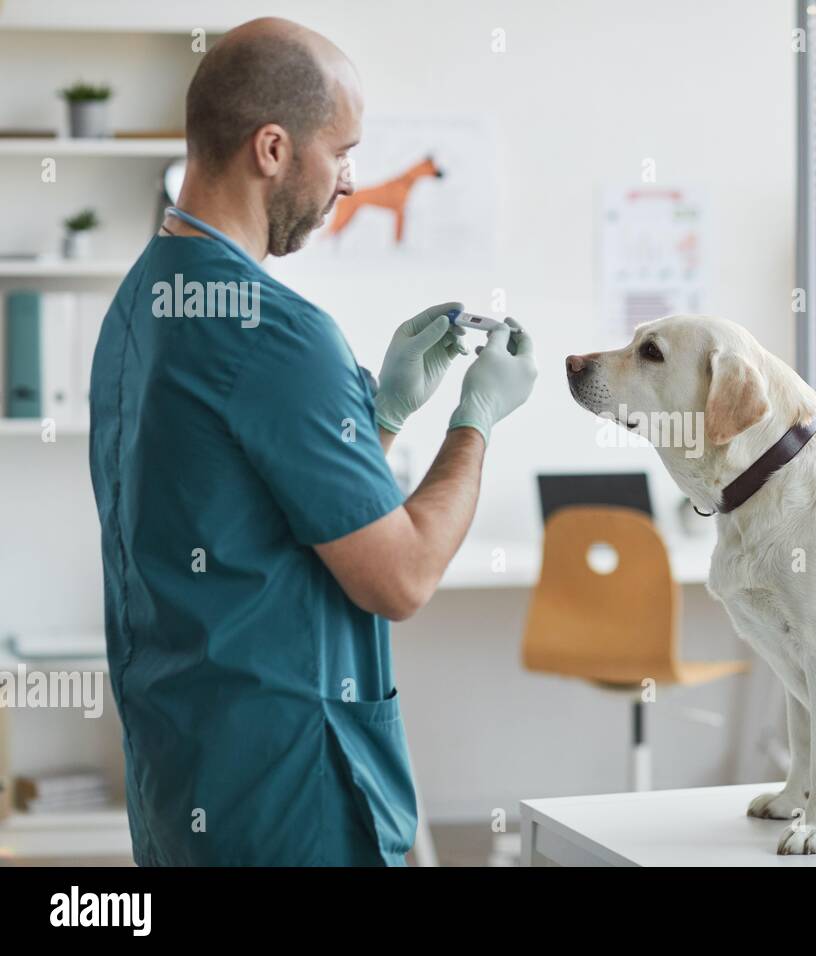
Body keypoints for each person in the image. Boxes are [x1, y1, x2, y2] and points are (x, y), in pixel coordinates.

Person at [87, 16, 536, 865]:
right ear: (272, 149)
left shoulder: (141, 300)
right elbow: (399, 577)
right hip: (293, 799)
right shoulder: (281, 331)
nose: (348, 182)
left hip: (186, 780)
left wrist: (387, 413)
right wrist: (476, 419)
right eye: (341, 151)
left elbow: (248, 498)